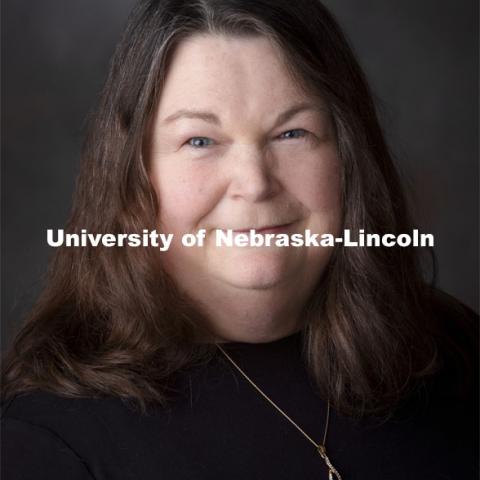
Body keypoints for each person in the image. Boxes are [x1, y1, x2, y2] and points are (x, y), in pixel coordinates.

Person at [1, 0, 478, 479]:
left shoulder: (456, 353)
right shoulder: (49, 440)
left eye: (292, 133)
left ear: (348, 157)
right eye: (200, 141)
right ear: (134, 176)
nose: (254, 182)